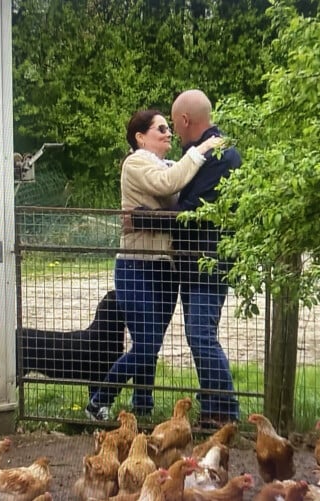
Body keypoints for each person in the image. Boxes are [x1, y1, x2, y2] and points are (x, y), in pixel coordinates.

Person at [85, 108, 223, 421]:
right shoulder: (136, 162)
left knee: (150, 344)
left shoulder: (164, 163)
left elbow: (179, 187)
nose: (168, 133)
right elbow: (167, 184)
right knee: (146, 344)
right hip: (137, 267)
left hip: (163, 268)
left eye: (168, 129)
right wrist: (202, 148)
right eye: (160, 129)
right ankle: (97, 402)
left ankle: (142, 408)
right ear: (140, 137)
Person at [133, 89, 242, 426]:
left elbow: (193, 212)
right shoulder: (208, 153)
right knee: (198, 336)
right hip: (196, 262)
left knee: (200, 335)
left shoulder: (217, 155)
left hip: (207, 261)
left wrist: (141, 217)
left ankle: (224, 411)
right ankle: (212, 407)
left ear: (184, 120)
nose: (172, 133)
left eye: (173, 125)